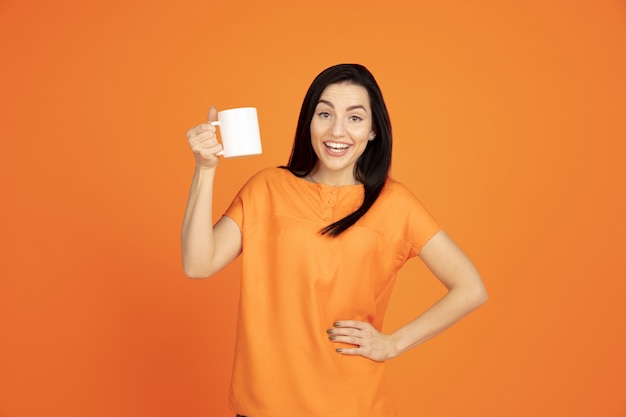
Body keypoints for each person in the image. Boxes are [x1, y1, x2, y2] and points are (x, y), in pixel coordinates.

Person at [182, 63, 487, 417]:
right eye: (324, 114)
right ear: (308, 122)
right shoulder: (266, 188)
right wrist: (205, 170)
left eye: (355, 118)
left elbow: (471, 288)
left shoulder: (396, 204)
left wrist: (392, 343)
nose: (337, 130)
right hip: (262, 405)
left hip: (353, 406)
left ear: (374, 130)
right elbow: (197, 263)